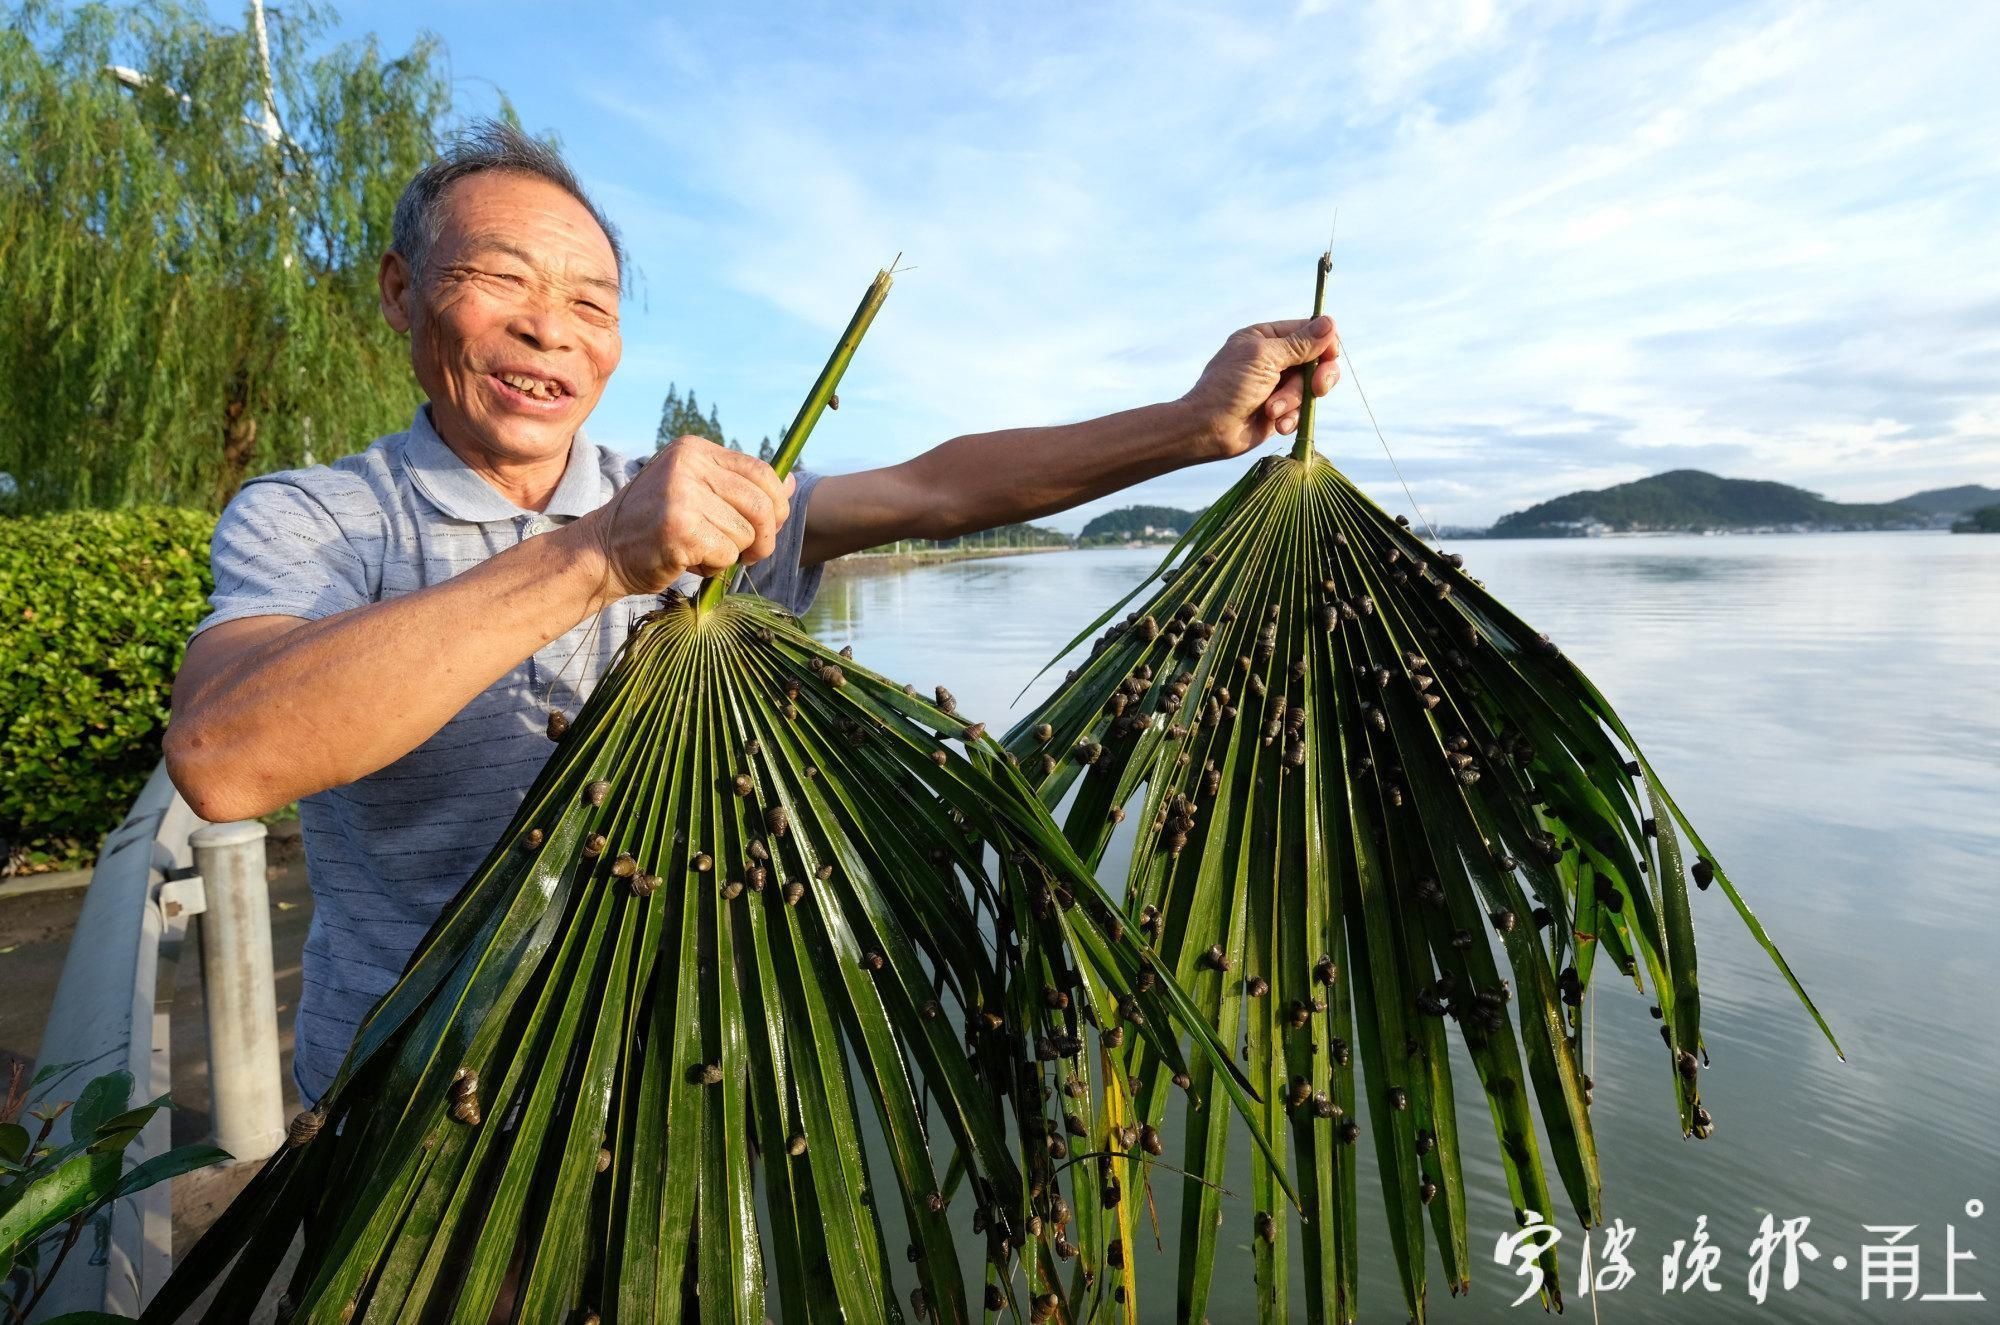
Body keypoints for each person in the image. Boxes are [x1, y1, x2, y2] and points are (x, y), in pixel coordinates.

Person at [163, 120, 1340, 1111]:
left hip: (673, 1098)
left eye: (591, 300)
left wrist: (1191, 425)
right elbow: (226, 754)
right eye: (501, 279)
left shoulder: (701, 515)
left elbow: (936, 489)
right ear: (399, 290)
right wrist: (598, 554)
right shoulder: (322, 518)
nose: (549, 326)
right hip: (414, 1104)